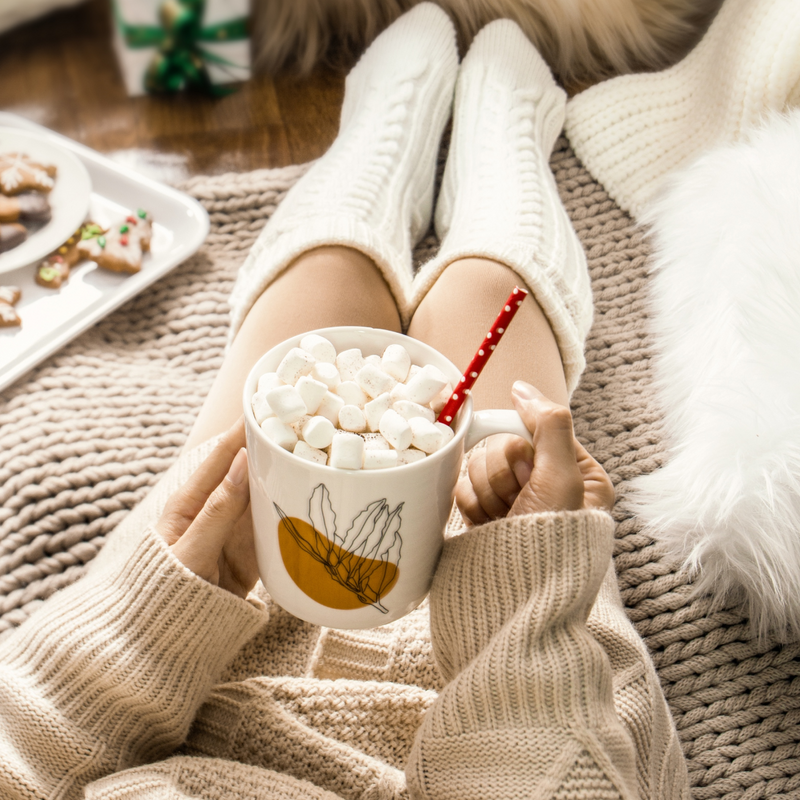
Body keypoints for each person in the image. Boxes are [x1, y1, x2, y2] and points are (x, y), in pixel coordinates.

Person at [0, 5, 690, 798]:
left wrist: (131, 631)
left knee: (317, 296)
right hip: (523, 701)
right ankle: (505, 153)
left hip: (203, 646)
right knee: (490, 297)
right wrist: (524, 599)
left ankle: (377, 147)